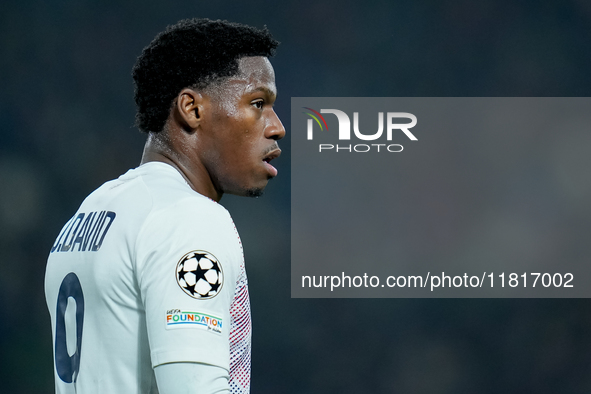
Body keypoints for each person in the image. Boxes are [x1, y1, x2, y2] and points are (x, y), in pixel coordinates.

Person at [44, 18, 285, 394]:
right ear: (191, 108)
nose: (276, 126)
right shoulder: (189, 219)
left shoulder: (91, 212)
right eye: (257, 103)